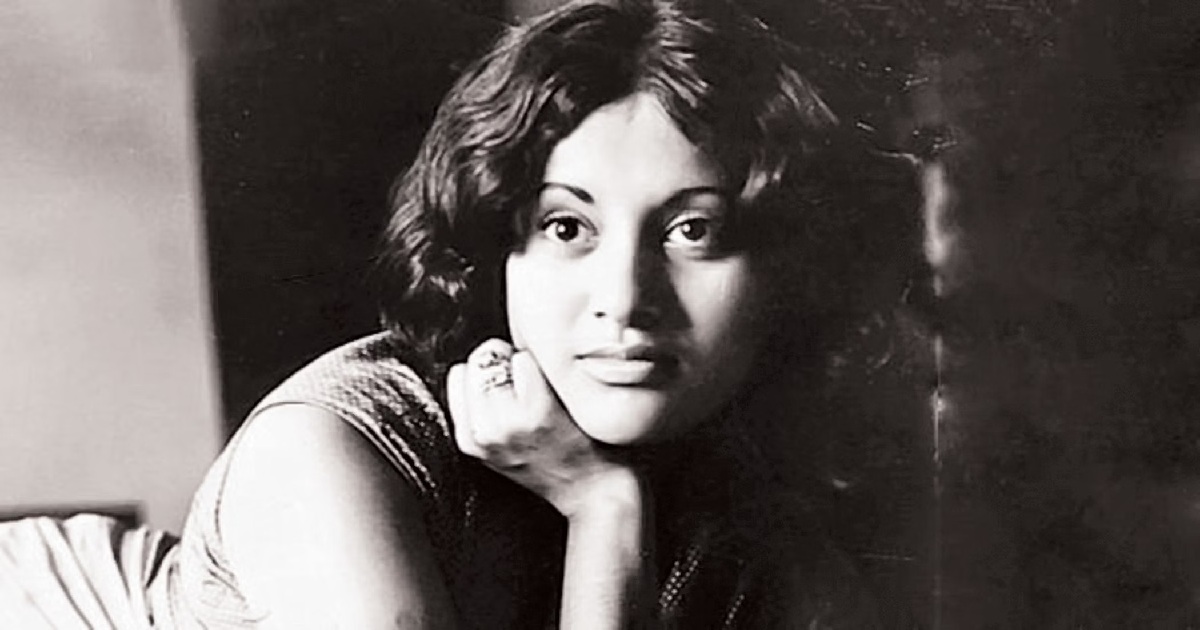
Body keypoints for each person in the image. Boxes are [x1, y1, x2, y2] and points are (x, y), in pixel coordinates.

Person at [0, 0, 917, 627]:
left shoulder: (757, 501)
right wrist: (604, 511)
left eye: (692, 230)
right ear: (494, 246)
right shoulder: (335, 447)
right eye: (566, 226)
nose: (625, 299)